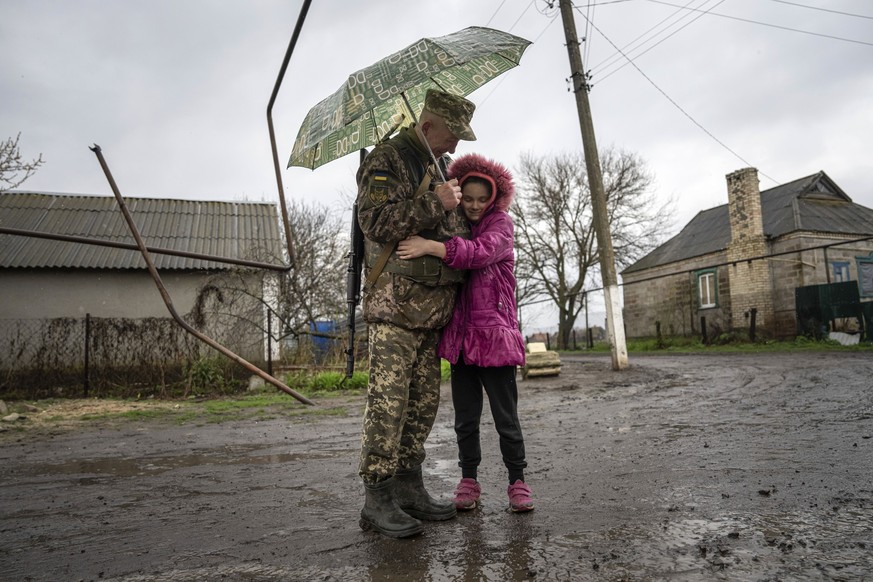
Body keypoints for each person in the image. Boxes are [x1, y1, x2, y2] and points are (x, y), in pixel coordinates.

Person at [355, 89, 477, 538]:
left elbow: (452, 231)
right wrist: (435, 203)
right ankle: (377, 496)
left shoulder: (437, 166)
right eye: (452, 135)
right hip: (395, 306)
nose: (456, 145)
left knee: (423, 406)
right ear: (427, 127)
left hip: (431, 310)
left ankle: (409, 488)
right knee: (388, 408)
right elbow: (375, 222)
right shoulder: (387, 159)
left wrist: (458, 212)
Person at [396, 153, 533, 513]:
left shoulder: (501, 226)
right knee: (465, 419)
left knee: (506, 418)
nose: (473, 206)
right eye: (467, 198)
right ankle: (468, 480)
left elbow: (477, 253)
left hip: (495, 339)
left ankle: (517, 481)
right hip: (461, 342)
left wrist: (430, 247)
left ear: (493, 199)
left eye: (480, 199)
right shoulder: (454, 222)